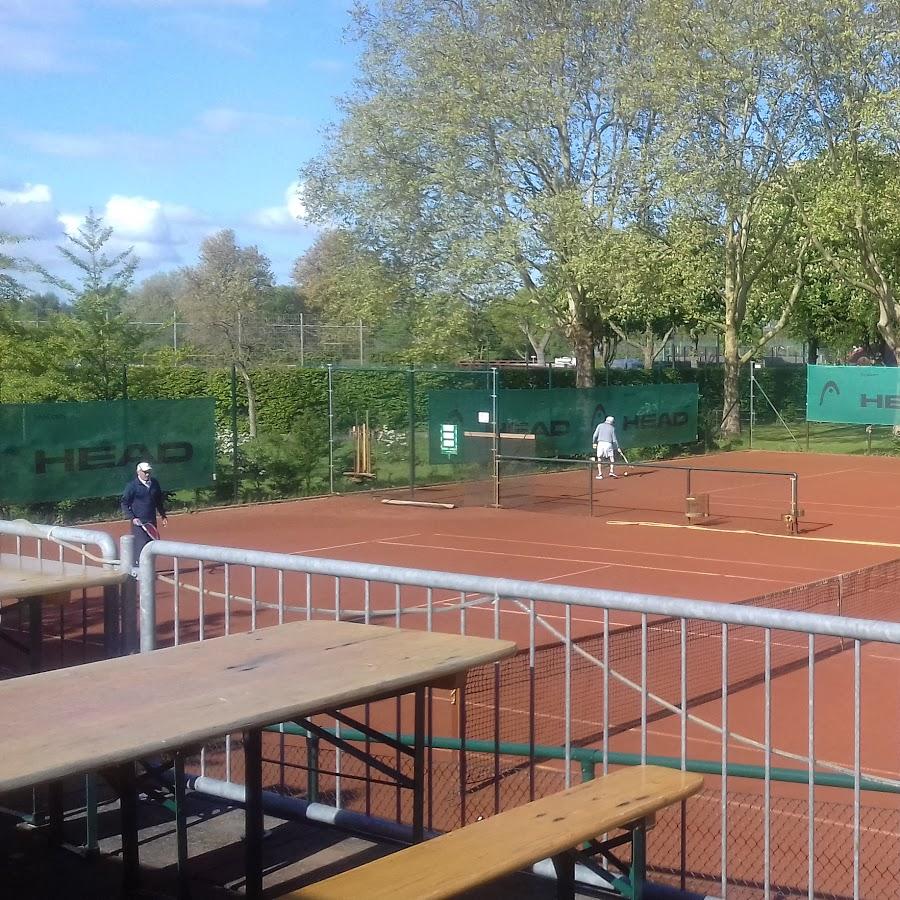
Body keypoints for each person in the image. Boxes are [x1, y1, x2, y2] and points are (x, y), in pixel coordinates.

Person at [121, 461, 168, 567]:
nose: (147, 474)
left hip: (151, 521)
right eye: (145, 472)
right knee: (141, 546)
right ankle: (140, 569)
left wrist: (163, 515)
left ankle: (149, 569)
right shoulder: (132, 486)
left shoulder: (154, 483)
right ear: (138, 472)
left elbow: (158, 501)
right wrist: (132, 517)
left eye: (149, 472)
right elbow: (124, 503)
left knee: (152, 546)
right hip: (138, 523)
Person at [591, 415, 620, 480]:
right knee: (611, 458)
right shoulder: (612, 428)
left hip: (600, 443)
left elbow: (595, 435)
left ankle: (600, 474)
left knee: (599, 459)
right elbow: (614, 440)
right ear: (611, 422)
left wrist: (594, 443)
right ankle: (611, 471)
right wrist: (617, 447)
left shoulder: (599, 425)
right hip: (608, 444)